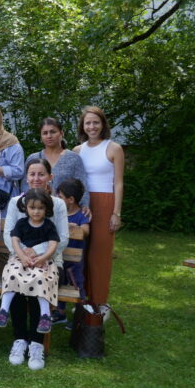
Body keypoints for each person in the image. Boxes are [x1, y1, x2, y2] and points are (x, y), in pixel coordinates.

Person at [4, 158, 69, 370]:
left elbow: (63, 238)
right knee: (16, 280)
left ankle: (36, 344)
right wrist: (23, 255)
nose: (36, 178)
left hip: (49, 260)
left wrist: (38, 253)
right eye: (32, 174)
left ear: (50, 177)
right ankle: (20, 339)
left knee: (37, 281)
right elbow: (9, 234)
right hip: (19, 259)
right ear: (26, 177)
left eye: (41, 174)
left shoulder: (57, 204)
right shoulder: (16, 203)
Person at [74, 106, 124, 306]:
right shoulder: (78, 150)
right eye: (88, 123)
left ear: (103, 124)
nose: (92, 126)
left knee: (100, 254)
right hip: (83, 204)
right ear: (83, 126)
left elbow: (118, 182)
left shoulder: (114, 148)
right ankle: (82, 301)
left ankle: (100, 303)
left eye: (96, 122)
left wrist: (116, 213)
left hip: (105, 203)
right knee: (81, 252)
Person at [0, 188, 61, 335]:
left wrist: (43, 258)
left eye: (40, 208)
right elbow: (14, 240)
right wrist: (22, 257)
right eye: (32, 208)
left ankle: (45, 315)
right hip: (21, 259)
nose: (36, 212)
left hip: (42, 260)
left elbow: (53, 244)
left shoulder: (49, 225)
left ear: (46, 209)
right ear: (26, 208)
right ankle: (4, 310)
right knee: (12, 273)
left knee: (41, 277)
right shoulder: (22, 223)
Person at [23, 117, 90, 211]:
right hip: (38, 212)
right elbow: (25, 186)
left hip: (67, 212)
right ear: (41, 137)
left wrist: (84, 206)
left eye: (53, 132)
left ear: (61, 133)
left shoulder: (73, 158)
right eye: (45, 133)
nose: (49, 136)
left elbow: (82, 186)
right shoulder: (33, 158)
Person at [54, 178, 90, 324]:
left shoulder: (81, 215)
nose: (57, 199)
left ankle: (80, 315)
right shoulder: (57, 214)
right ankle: (60, 313)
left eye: (60, 197)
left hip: (75, 262)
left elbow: (86, 231)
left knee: (77, 286)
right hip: (59, 258)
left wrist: (76, 228)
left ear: (70, 200)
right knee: (60, 284)